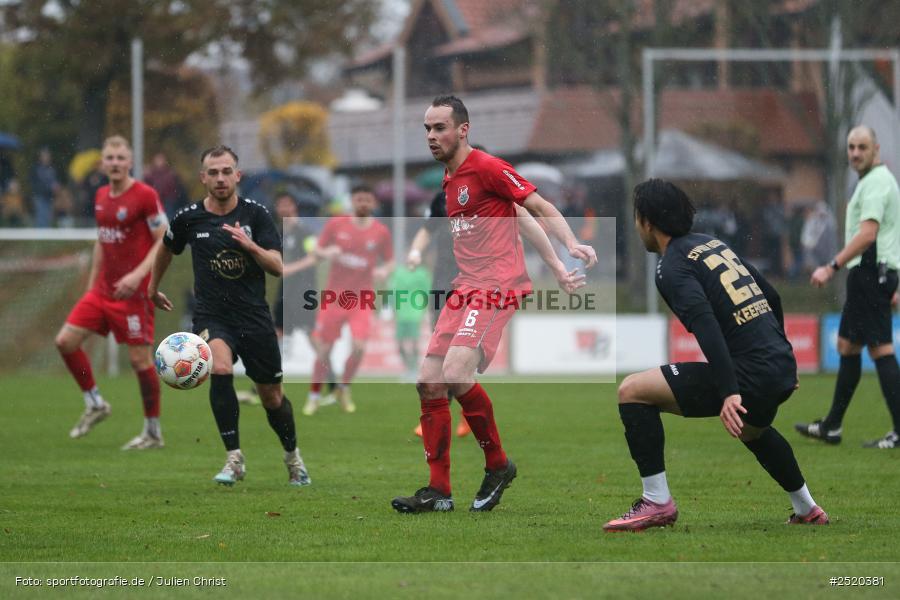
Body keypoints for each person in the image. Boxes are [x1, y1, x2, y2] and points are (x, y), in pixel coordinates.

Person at [391, 95, 596, 513]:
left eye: (440, 128)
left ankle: (498, 465)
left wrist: (569, 244)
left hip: (496, 285)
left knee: (453, 371)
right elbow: (518, 219)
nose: (432, 136)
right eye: (427, 129)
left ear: (463, 129)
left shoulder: (487, 166)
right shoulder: (449, 181)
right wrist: (555, 266)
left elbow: (536, 206)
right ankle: (439, 491)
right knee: (429, 381)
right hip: (465, 287)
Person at [603, 178, 828, 532]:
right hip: (778, 367)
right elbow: (773, 296)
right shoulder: (711, 243)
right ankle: (808, 509)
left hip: (748, 374)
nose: (635, 226)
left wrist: (729, 392)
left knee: (631, 390)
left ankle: (657, 502)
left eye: (636, 218)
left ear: (648, 221)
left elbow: (706, 326)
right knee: (754, 431)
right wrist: (785, 356)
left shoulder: (672, 266)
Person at [148, 145, 311, 486]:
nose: (220, 178)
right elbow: (166, 246)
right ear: (202, 177)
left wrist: (250, 246)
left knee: (272, 398)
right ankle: (234, 458)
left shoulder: (257, 215)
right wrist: (152, 287)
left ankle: (292, 456)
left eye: (226, 172)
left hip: (254, 317)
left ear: (238, 176)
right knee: (220, 368)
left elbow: (278, 268)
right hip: (212, 315)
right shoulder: (189, 217)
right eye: (213, 172)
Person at [54, 135, 167, 449]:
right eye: (110, 158)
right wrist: (91, 288)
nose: (115, 163)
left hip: (134, 294)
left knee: (139, 361)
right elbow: (102, 242)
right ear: (102, 163)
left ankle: (153, 432)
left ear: (130, 162)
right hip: (103, 292)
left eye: (120, 158)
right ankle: (95, 403)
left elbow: (163, 237)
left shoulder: (145, 195)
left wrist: (137, 275)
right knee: (65, 341)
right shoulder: (101, 194)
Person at [796, 125, 900, 449]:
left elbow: (869, 234)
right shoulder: (873, 182)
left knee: (880, 349)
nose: (855, 153)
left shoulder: (876, 183)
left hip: (870, 272)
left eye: (862, 147)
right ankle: (832, 426)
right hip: (871, 274)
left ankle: (898, 430)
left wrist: (831, 266)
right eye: (851, 147)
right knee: (846, 346)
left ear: (876, 149)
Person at [303, 184, 394, 416]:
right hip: (334, 298)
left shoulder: (381, 232)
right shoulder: (336, 224)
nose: (363, 203)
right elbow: (316, 252)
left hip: (361, 300)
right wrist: (327, 253)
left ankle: (343, 388)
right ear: (352, 201)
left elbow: (391, 261)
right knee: (324, 350)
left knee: (359, 347)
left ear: (373, 203)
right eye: (359, 199)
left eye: (367, 199)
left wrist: (385, 271)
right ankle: (314, 396)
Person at [408, 190, 470, 438]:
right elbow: (428, 227)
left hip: (474, 284)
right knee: (442, 352)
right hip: (442, 283)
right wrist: (415, 251)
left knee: (461, 354)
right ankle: (442, 414)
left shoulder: (489, 193)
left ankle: (454, 414)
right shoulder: (443, 197)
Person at [389, 262, 432, 376]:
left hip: (415, 314)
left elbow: (427, 293)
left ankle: (413, 369)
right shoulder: (398, 273)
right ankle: (408, 367)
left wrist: (425, 311)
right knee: (399, 345)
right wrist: (393, 311)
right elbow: (392, 293)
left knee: (414, 343)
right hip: (401, 314)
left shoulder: (422, 274)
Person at [144, 152, 187, 221]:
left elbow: (177, 188)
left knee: (169, 218)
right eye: (158, 159)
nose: (159, 162)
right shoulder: (150, 174)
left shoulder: (171, 174)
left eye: (161, 159)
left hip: (168, 202)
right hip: (155, 200)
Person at [30, 147, 58, 228]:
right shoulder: (36, 168)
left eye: (47, 156)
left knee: (48, 217)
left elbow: (54, 181)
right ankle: (40, 236)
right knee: (41, 216)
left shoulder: (51, 169)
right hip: (39, 195)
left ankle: (46, 236)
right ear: (41, 157)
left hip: (50, 195)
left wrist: (55, 186)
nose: (46, 158)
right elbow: (35, 183)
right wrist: (48, 187)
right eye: (45, 156)